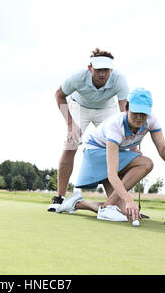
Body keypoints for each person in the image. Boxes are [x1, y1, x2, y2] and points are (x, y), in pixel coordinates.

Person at [56, 87, 165, 224]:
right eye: (135, 112)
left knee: (124, 213)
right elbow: (112, 174)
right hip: (95, 154)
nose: (139, 117)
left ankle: (77, 203)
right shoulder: (115, 126)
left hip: (112, 155)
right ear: (127, 108)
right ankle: (106, 206)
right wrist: (129, 200)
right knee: (146, 163)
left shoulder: (151, 121)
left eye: (143, 113)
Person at [48, 48, 131, 212]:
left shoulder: (119, 80)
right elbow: (59, 95)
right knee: (71, 144)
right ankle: (60, 197)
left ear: (111, 70)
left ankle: (120, 202)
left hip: (106, 109)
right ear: (90, 68)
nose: (102, 74)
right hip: (79, 107)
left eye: (106, 70)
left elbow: (125, 114)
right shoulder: (78, 77)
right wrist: (70, 125)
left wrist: (131, 142)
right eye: (99, 70)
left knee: (114, 148)